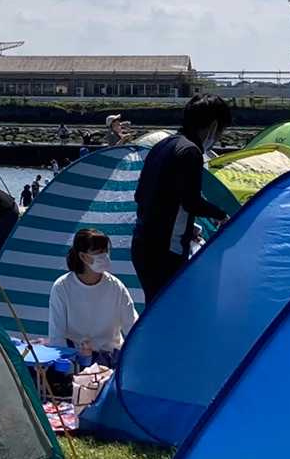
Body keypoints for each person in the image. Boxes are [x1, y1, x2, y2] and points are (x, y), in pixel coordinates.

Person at [131, 94, 232, 302]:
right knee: (170, 309)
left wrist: (187, 226)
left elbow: (143, 195)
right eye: (220, 131)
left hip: (142, 244)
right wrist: (221, 216)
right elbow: (191, 202)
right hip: (166, 251)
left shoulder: (163, 145)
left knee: (155, 308)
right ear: (213, 126)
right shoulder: (190, 152)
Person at [47, 228, 138, 367]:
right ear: (83, 256)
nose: (105, 256)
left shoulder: (116, 286)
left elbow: (133, 327)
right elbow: (56, 336)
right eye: (99, 252)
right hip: (77, 358)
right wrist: (68, 368)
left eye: (106, 251)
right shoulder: (62, 287)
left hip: (111, 358)